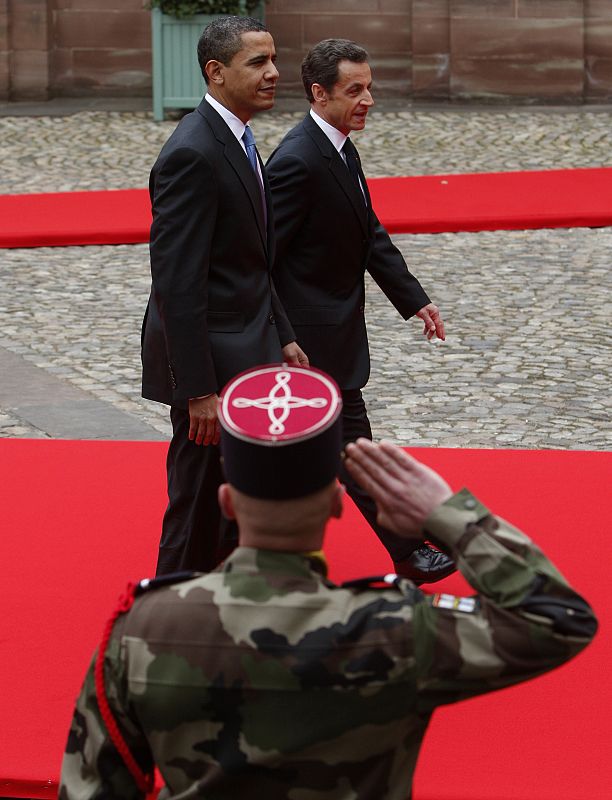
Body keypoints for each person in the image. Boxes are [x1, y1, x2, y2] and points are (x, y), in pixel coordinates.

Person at [60, 363, 597, 800]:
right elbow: (558, 618)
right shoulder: (394, 629)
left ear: (226, 502)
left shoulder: (143, 629)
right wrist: (449, 517)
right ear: (339, 503)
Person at [266, 38, 453, 584]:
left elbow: (368, 232)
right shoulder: (298, 160)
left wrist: (414, 298)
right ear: (319, 93)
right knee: (351, 449)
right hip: (307, 343)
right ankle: (408, 550)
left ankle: (269, 555)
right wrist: (281, 334)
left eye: (369, 87)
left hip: (331, 334)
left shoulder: (340, 147)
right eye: (355, 90)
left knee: (321, 453)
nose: (368, 98)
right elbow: (260, 261)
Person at [141, 16, 307, 576]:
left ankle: (227, 603)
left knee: (237, 497)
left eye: (273, 59)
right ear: (216, 72)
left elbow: (251, 261)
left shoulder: (238, 136)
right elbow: (177, 282)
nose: (274, 73)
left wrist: (282, 334)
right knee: (197, 500)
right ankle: (166, 613)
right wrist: (198, 390)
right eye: (257, 62)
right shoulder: (193, 153)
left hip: (248, 347)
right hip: (211, 368)